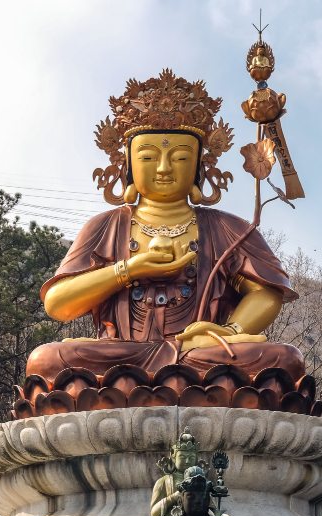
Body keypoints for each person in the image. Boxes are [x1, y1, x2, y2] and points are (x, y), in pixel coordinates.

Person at [26, 70, 304, 384]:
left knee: (284, 359)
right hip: (120, 355)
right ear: (128, 166)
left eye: (181, 157)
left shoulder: (228, 228)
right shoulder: (105, 226)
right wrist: (128, 270)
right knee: (47, 359)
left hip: (199, 353)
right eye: (148, 157)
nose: (163, 168)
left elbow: (266, 294)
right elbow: (58, 304)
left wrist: (229, 331)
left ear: (201, 167)